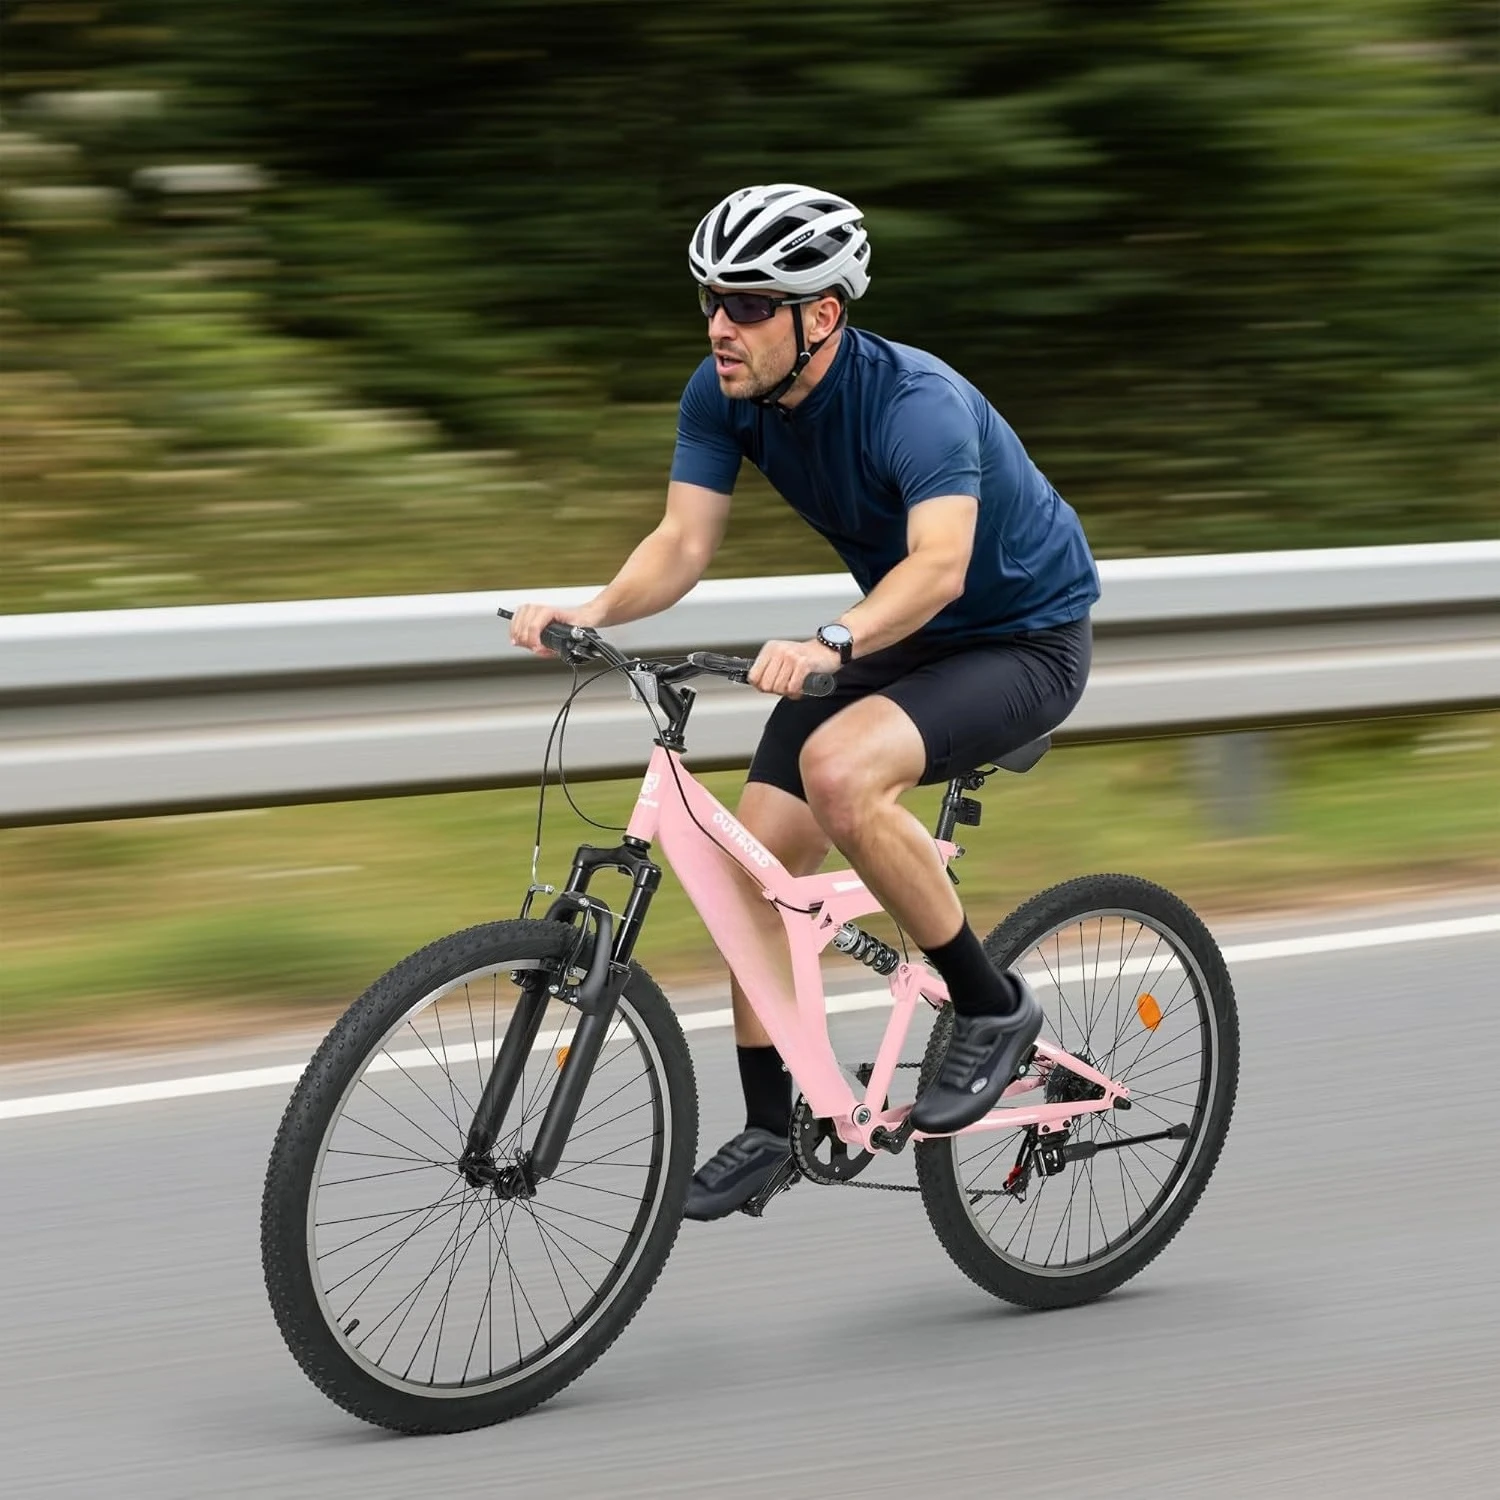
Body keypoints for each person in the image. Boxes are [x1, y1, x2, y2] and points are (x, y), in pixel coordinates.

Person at [509, 183, 1099, 1220]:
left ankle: (990, 1007)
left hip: (1021, 640)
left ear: (820, 315)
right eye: (710, 300)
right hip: (898, 633)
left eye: (747, 304)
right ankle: (771, 1124)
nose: (718, 326)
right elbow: (683, 541)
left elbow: (940, 566)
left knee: (839, 773)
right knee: (755, 858)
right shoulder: (723, 393)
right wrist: (592, 610)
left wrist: (833, 639)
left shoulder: (915, 402)